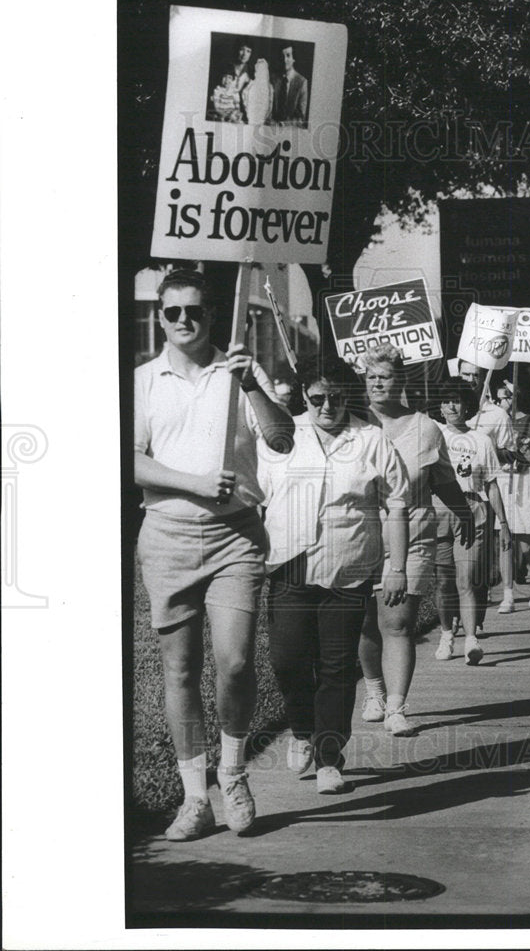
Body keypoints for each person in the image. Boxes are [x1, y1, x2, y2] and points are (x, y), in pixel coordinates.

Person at [134, 268, 295, 842]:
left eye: (195, 311)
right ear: (161, 317)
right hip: (168, 536)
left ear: (211, 314)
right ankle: (195, 798)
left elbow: (282, 438)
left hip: (235, 538)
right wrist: (195, 483)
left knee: (235, 662)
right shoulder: (142, 381)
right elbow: (129, 459)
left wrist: (252, 385)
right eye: (173, 312)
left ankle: (232, 774)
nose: (184, 321)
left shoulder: (240, 372)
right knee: (179, 670)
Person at [260, 356, 409, 794]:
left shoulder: (371, 440)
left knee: (337, 667)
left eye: (337, 398)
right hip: (289, 566)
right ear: (303, 396)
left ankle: (329, 758)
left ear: (350, 397)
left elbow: (397, 504)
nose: (327, 406)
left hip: (349, 568)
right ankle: (302, 730)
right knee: (287, 660)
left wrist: (397, 567)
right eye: (317, 398)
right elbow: (257, 499)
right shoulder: (283, 437)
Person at [357, 344, 475, 734]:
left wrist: (463, 513)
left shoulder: (427, 429)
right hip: (359, 538)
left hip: (413, 536)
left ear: (401, 379)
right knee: (365, 624)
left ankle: (396, 707)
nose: (377, 383)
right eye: (371, 376)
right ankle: (374, 691)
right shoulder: (354, 423)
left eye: (385, 376)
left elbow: (443, 481)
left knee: (398, 622)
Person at [433, 379, 512, 665]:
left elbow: (491, 484)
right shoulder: (433, 435)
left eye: (456, 400)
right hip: (439, 509)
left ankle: (471, 640)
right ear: (439, 407)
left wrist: (503, 523)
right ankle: (446, 635)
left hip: (472, 509)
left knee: (465, 578)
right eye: (446, 401)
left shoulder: (482, 440)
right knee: (444, 582)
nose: (451, 407)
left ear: (467, 405)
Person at [458, 358, 516, 616]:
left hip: (486, 491)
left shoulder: (497, 415)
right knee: (457, 559)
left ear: (483, 378)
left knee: (484, 555)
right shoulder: (448, 410)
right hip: (458, 491)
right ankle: (458, 614)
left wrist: (486, 449)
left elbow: (510, 453)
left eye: (475, 375)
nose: (470, 380)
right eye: (465, 374)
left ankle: (486, 606)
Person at [490, 376, 530, 608]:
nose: (499, 403)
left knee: (526, 544)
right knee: (505, 540)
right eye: (496, 400)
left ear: (514, 397)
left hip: (526, 483)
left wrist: (521, 449)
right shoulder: (496, 422)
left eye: (503, 399)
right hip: (504, 482)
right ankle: (508, 594)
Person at [272, 45, 309, 125]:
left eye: (288, 55)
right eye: (282, 56)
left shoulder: (302, 82)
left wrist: (283, 124)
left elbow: (301, 117)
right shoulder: (273, 79)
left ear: (293, 58)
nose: (284, 60)